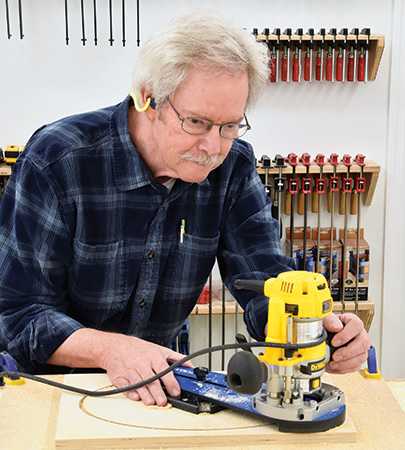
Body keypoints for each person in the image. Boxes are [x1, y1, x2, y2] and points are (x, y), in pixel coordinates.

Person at [0, 9, 370, 407]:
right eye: (196, 122)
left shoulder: (232, 169)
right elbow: (20, 313)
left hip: (158, 387)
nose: (213, 148)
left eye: (230, 126)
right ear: (148, 97)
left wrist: (311, 329)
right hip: (48, 392)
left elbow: (264, 279)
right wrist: (110, 350)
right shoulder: (58, 161)